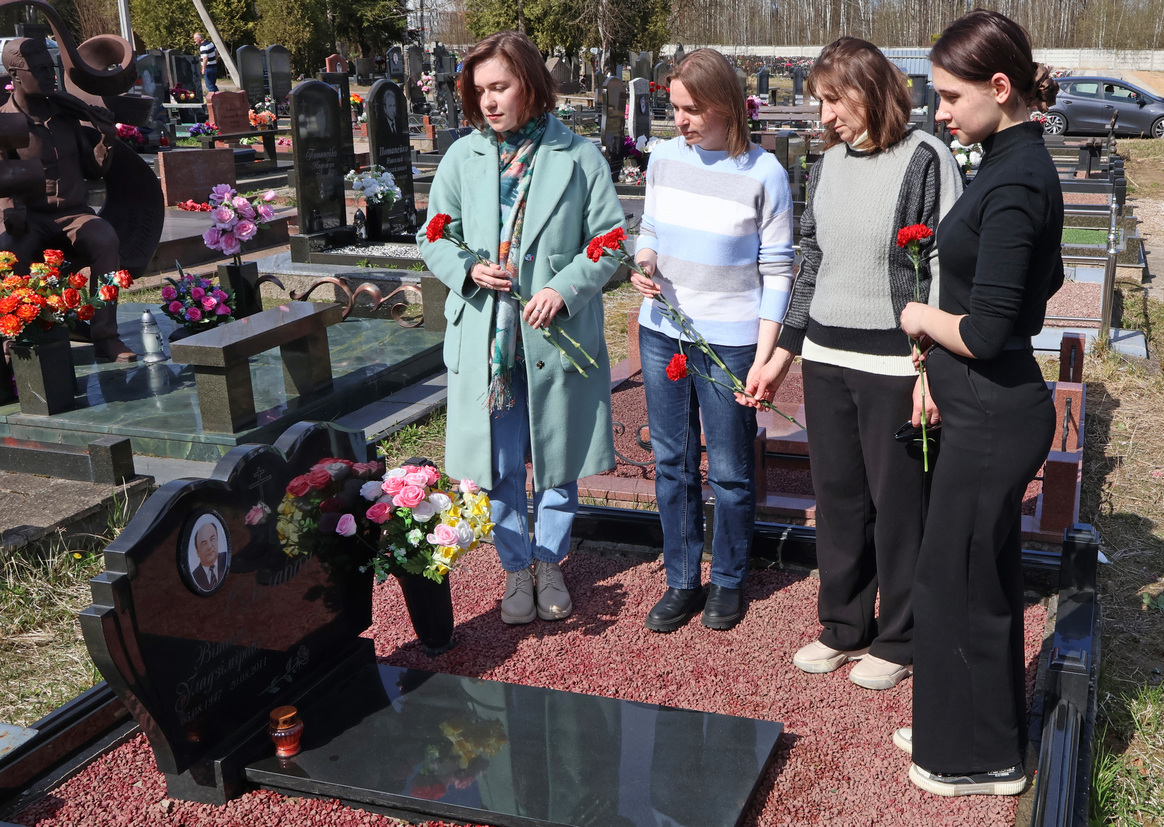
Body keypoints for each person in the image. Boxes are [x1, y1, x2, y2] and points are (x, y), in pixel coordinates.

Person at [746, 37, 963, 686]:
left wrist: (932, 373)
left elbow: (946, 268)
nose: (825, 117)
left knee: (899, 507)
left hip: (897, 363)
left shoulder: (925, 158)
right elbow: (812, 261)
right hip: (826, 357)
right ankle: (843, 627)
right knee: (839, 501)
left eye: (834, 101)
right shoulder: (829, 165)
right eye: (819, 102)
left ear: (870, 91)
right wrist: (782, 354)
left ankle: (900, 637)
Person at [896, 10, 1062, 796]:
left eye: (950, 96)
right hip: (980, 404)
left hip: (995, 412)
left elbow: (989, 329)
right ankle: (957, 719)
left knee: (952, 576)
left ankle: (977, 758)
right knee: (974, 573)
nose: (940, 112)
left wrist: (920, 318)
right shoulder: (1007, 159)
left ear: (1000, 86)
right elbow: (1042, 277)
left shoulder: (1018, 178)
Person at [416, 31, 622, 625]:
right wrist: (467, 268)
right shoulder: (462, 157)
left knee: (556, 456)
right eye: (480, 90)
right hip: (488, 340)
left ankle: (549, 562)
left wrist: (564, 288)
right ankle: (514, 567)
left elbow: (610, 240)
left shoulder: (578, 157)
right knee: (499, 461)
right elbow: (433, 234)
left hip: (554, 337)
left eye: (500, 87)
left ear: (529, 85)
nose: (488, 101)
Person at [632, 48, 795, 633]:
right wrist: (644, 258)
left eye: (693, 110)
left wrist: (765, 352)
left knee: (728, 469)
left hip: (731, 341)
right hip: (663, 332)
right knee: (672, 463)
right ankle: (681, 580)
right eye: (675, 108)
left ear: (726, 105)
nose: (680, 121)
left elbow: (778, 269)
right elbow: (649, 227)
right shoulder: (662, 158)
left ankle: (727, 579)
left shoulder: (764, 173)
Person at [0, 37, 134, 362]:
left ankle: (106, 336)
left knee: (104, 239)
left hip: (74, 214)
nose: (51, 76)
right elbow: (2, 179)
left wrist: (105, 138)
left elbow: (92, 170)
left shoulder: (66, 116)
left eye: (52, 68)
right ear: (16, 75)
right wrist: (10, 210)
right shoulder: (4, 121)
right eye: (41, 69)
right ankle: (17, 337)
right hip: (31, 217)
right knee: (8, 252)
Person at [191, 521, 226, 592]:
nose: (209, 546)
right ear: (197, 552)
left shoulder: (227, 559)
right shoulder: (194, 577)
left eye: (212, 539)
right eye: (204, 543)